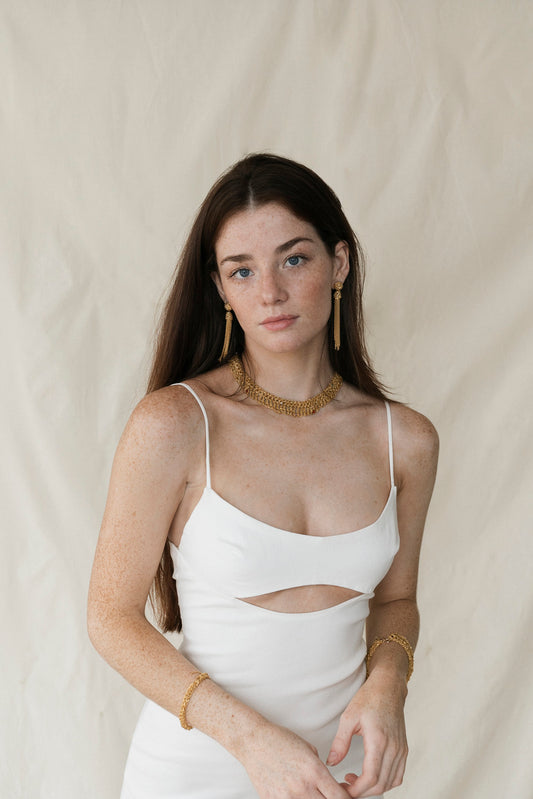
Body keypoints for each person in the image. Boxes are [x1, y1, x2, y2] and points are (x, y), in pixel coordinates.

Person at [87, 152, 439, 799]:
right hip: (196, 768)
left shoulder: (405, 441)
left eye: (293, 259)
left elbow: (395, 601)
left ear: (339, 263)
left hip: (340, 770)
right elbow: (111, 618)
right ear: (220, 288)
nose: (269, 291)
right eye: (241, 270)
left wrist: (389, 683)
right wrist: (251, 740)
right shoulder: (175, 423)